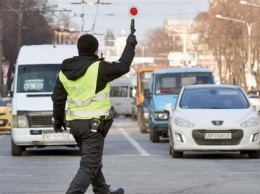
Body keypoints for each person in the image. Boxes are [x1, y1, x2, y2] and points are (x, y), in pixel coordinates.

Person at [51, 32, 137, 194]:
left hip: (75, 125)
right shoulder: (99, 68)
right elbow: (123, 66)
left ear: (78, 49)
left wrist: (58, 119)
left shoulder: (64, 71)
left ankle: (102, 190)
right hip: (93, 126)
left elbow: (58, 98)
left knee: (92, 159)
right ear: (96, 50)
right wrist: (130, 45)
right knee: (89, 164)